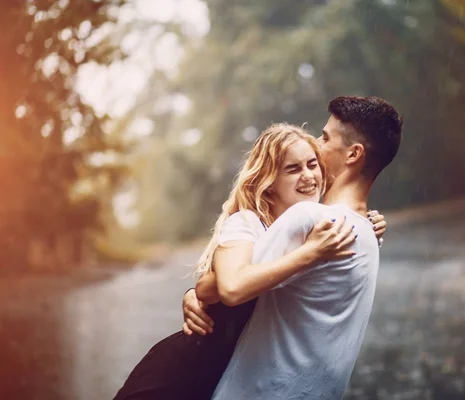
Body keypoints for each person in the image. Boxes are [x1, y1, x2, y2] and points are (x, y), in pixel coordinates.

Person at [114, 122, 387, 399]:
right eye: (293, 169)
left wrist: (365, 224)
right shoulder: (247, 222)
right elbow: (215, 287)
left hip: (224, 376)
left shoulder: (311, 227)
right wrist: (310, 254)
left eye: (312, 164)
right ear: (269, 185)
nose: (308, 176)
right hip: (180, 374)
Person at [205, 95, 402, 399]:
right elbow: (222, 285)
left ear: (353, 154)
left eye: (324, 138)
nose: (317, 144)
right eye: (293, 168)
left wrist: (196, 293)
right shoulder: (366, 232)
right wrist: (195, 294)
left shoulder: (310, 218)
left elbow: (228, 287)